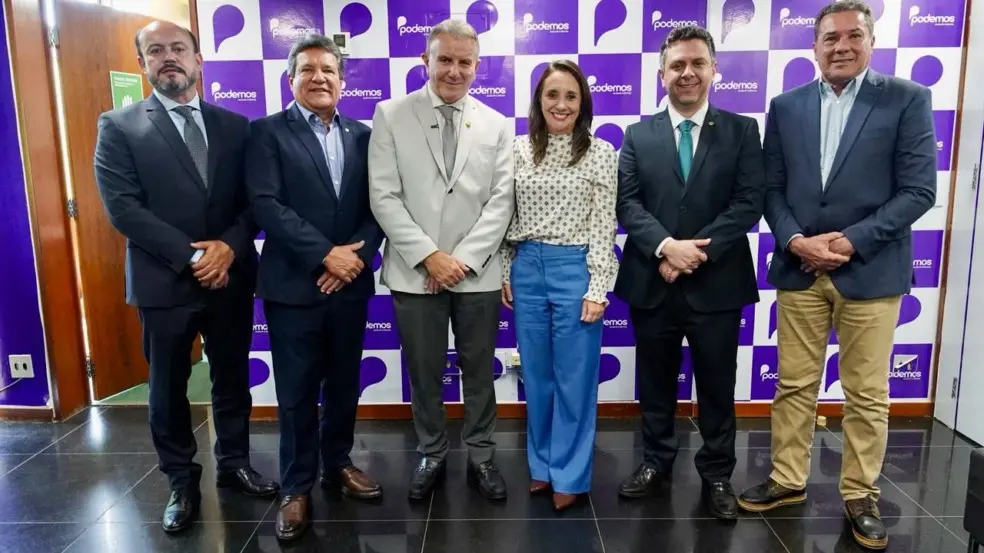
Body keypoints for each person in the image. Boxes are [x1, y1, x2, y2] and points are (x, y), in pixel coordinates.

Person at [737, 2, 936, 549]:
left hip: (871, 269)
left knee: (866, 393)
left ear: (870, 41)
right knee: (793, 383)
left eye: (853, 36)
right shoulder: (786, 105)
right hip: (800, 266)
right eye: (830, 38)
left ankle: (859, 492)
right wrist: (797, 239)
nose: (841, 46)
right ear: (815, 46)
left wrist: (851, 241)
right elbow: (771, 189)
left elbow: (919, 190)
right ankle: (787, 479)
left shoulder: (906, 99)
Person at [93, 21, 278, 533]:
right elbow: (124, 210)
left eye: (178, 49)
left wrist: (228, 248)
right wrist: (196, 257)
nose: (168, 57)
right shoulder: (119, 126)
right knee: (168, 386)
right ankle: (180, 479)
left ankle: (236, 462)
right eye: (156, 51)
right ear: (143, 64)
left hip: (232, 278)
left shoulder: (237, 127)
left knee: (231, 377)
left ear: (199, 60)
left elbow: (254, 203)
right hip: (164, 281)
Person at [613, 25, 765, 520]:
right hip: (652, 279)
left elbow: (749, 202)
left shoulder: (743, 131)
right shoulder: (637, 135)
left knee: (718, 386)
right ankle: (655, 463)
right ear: (661, 74)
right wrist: (665, 246)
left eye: (698, 63)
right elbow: (628, 204)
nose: (687, 73)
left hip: (716, 283)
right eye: (677, 65)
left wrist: (695, 252)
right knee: (654, 383)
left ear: (713, 70)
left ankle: (717, 473)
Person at [368, 19, 514, 502]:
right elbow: (384, 196)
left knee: (479, 372)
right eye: (444, 59)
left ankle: (481, 455)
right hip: (416, 274)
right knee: (424, 372)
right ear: (425, 61)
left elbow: (501, 202)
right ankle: (431, 451)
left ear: (477, 66)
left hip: (478, 275)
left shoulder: (497, 123)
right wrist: (430, 256)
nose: (454, 70)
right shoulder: (389, 114)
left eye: (464, 62)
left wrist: (463, 260)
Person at [245, 34, 384, 541]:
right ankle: (297, 485)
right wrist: (326, 255)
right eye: (308, 70)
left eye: (329, 70)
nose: (319, 77)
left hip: (350, 285)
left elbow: (380, 206)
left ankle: (338, 465)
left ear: (342, 81)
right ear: (291, 79)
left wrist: (357, 255)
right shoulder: (265, 133)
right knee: (298, 393)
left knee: (344, 384)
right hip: (293, 288)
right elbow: (266, 204)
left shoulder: (364, 134)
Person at [499, 60, 618, 511]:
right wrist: (507, 270)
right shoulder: (516, 150)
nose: (561, 104)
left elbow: (605, 225)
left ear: (583, 102)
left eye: (571, 96)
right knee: (539, 377)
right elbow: (507, 217)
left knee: (575, 379)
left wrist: (598, 286)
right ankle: (542, 467)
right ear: (539, 101)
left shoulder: (601, 153)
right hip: (528, 267)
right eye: (552, 95)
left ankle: (570, 474)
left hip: (576, 271)